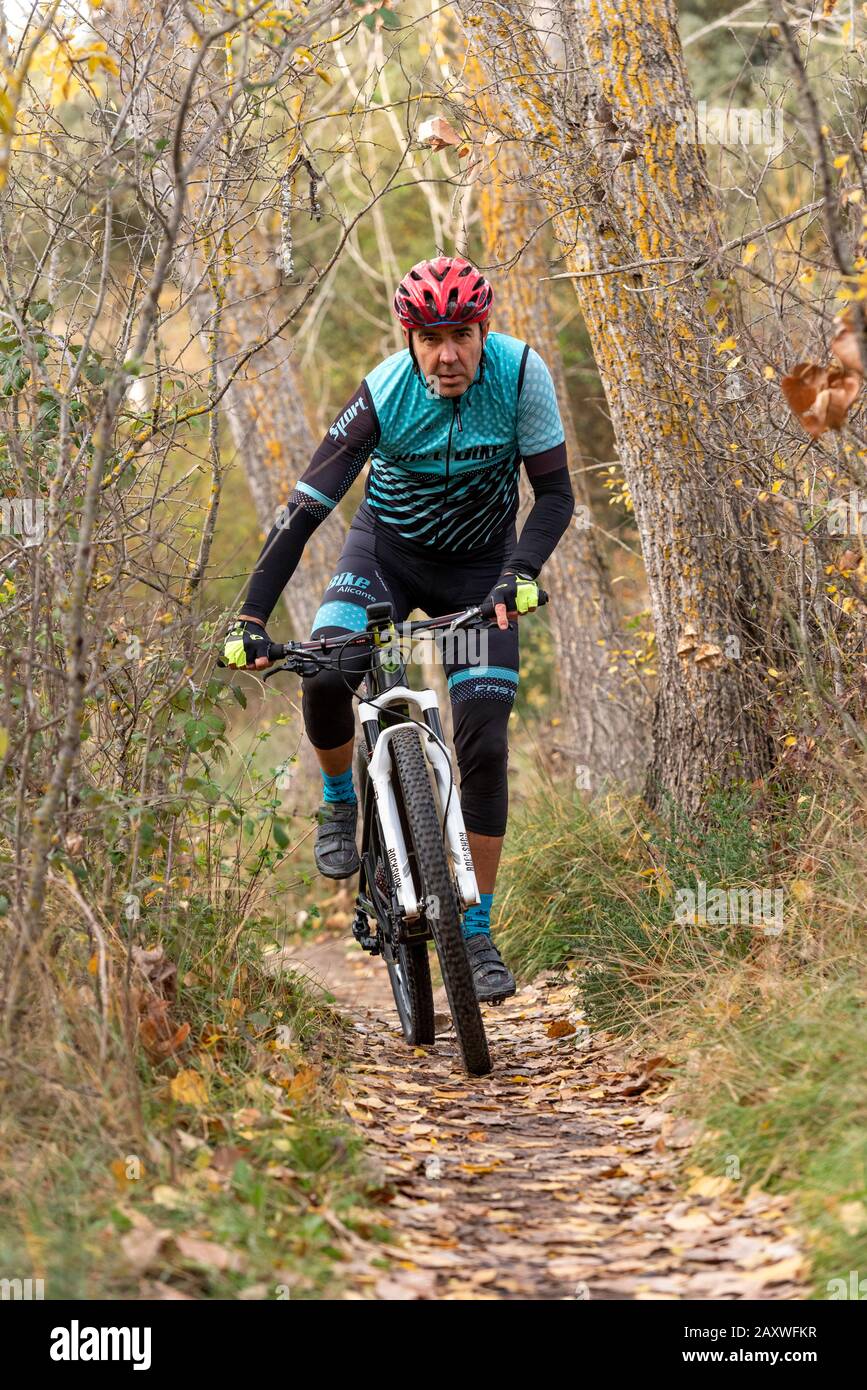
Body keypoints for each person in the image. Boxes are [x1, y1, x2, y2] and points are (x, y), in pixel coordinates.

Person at [223, 254, 574, 1002]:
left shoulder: (519, 377)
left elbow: (552, 497)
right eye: (429, 338)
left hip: (479, 570)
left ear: (483, 330)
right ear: (408, 338)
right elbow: (303, 512)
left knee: (483, 736)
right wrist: (251, 615)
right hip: (385, 556)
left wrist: (521, 572)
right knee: (324, 674)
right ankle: (341, 800)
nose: (447, 355)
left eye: (461, 336)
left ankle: (476, 932)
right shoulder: (383, 394)